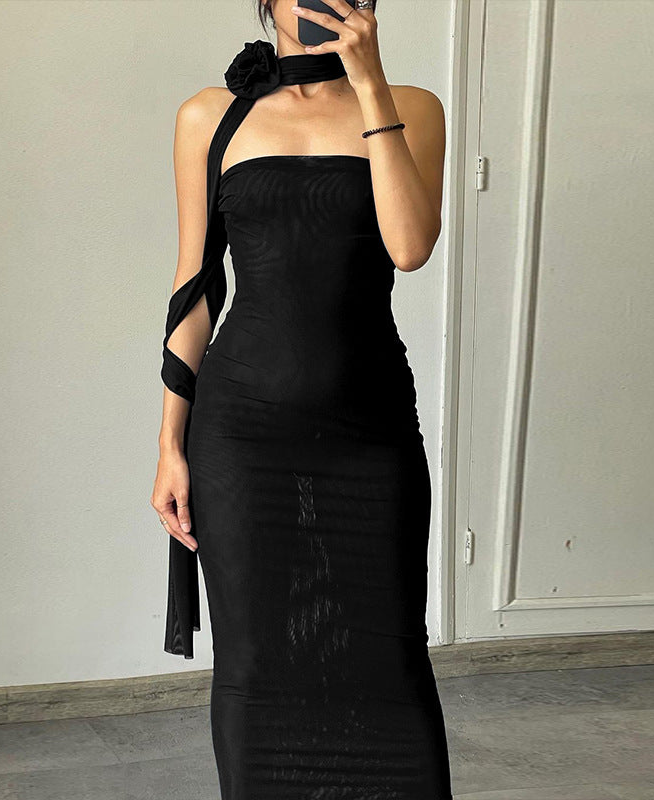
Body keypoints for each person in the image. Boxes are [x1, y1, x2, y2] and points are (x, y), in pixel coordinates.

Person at [150, 0, 451, 796]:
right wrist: (170, 444)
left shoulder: (413, 107)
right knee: (256, 663)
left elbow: (410, 247)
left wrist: (370, 82)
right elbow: (194, 288)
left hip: (371, 430)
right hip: (240, 437)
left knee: (389, 660)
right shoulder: (210, 116)